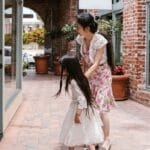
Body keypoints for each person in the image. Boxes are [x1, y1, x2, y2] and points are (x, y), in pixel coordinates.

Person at [76, 13, 116, 150]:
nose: (77, 29)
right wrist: (81, 73)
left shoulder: (99, 40)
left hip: (102, 77)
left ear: (87, 28)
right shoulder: (81, 39)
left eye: (79, 27)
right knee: (89, 108)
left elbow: (96, 63)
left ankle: (106, 140)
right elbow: (84, 61)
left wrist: (82, 78)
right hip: (90, 76)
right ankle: (92, 138)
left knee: (102, 109)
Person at [56, 55, 103, 150]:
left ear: (69, 68)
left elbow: (82, 99)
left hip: (78, 109)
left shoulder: (74, 81)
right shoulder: (82, 78)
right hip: (87, 110)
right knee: (88, 135)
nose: (62, 69)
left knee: (72, 133)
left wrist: (77, 114)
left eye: (63, 67)